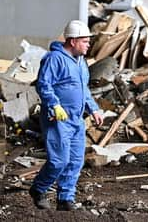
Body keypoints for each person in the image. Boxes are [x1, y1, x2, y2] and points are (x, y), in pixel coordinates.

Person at [30, 20, 104, 211]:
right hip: (58, 120)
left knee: (75, 161)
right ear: (73, 41)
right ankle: (39, 189)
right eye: (85, 41)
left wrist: (93, 108)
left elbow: (83, 89)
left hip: (76, 120)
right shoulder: (55, 59)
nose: (88, 45)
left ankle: (65, 199)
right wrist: (54, 104)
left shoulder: (80, 61)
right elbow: (43, 84)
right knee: (58, 161)